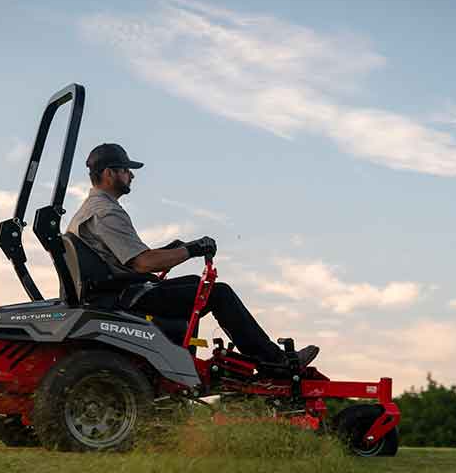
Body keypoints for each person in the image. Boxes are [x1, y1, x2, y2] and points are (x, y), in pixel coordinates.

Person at [65, 142, 319, 369]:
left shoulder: (90, 210)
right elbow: (143, 263)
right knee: (218, 293)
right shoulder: (106, 212)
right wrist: (192, 249)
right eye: (125, 170)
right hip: (125, 297)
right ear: (109, 173)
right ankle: (275, 362)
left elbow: (126, 258)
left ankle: (184, 363)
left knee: (193, 285)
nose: (131, 175)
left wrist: (174, 249)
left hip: (116, 292)